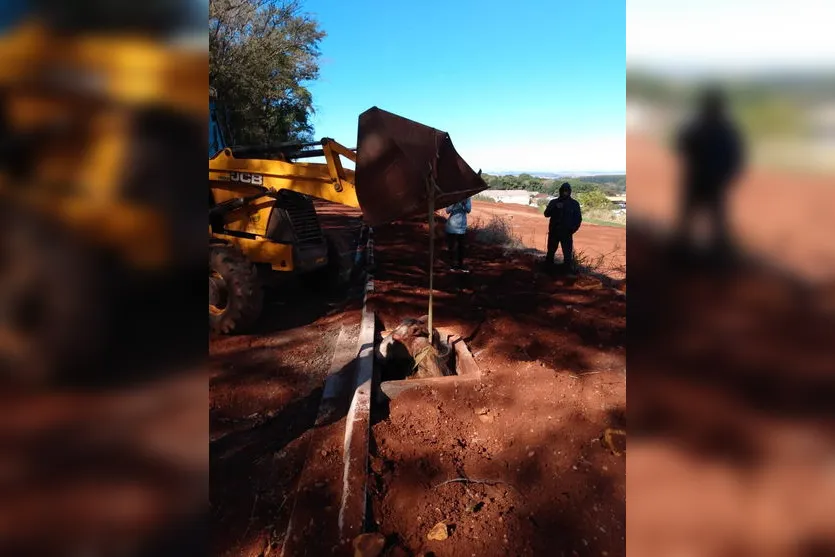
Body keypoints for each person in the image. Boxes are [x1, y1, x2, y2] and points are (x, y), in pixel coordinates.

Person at [676, 87, 744, 256]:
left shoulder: (699, 127)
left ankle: (685, 253)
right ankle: (716, 254)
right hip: (708, 181)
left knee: (701, 219)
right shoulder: (725, 130)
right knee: (707, 220)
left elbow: (682, 145)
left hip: (702, 180)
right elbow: (735, 157)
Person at [544, 183, 582, 271]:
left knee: (567, 254)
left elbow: (578, 219)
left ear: (570, 192)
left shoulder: (574, 204)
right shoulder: (554, 202)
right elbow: (546, 214)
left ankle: (566, 272)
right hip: (554, 232)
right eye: (563, 191)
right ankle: (547, 271)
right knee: (550, 252)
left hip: (567, 233)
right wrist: (554, 208)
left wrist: (572, 230)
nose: (565, 193)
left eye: (567, 191)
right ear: (560, 191)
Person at [444, 197, 472, 272]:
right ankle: (451, 265)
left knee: (461, 247)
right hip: (451, 226)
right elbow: (447, 211)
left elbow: (468, 210)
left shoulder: (468, 198)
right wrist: (454, 202)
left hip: (462, 227)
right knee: (451, 246)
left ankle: (460, 265)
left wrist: (464, 203)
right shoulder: (453, 196)